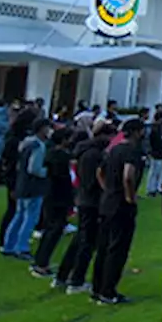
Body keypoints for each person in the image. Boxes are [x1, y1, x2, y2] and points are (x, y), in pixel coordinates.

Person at [92, 118, 145, 305]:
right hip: (121, 204)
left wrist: (107, 189)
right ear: (137, 132)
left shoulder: (113, 149)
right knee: (118, 249)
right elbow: (128, 176)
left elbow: (100, 171)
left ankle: (97, 287)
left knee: (104, 246)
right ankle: (108, 291)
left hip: (108, 201)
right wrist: (130, 197)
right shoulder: (132, 151)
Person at [55, 122, 112, 294]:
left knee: (80, 239)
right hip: (91, 201)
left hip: (84, 199)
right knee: (88, 242)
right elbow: (93, 180)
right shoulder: (94, 155)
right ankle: (76, 280)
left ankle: (63, 275)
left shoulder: (85, 152)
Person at [1, 118, 52, 260]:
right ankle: (22, 247)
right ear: (42, 129)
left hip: (22, 184)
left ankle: (8, 245)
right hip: (33, 186)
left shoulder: (25, 143)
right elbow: (34, 168)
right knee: (30, 218)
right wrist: (48, 172)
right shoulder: (38, 146)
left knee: (19, 215)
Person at [31, 127, 76, 278]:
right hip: (58, 197)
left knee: (51, 229)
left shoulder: (51, 154)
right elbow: (62, 179)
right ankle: (41, 264)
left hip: (51, 195)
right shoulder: (60, 157)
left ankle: (40, 261)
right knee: (54, 230)